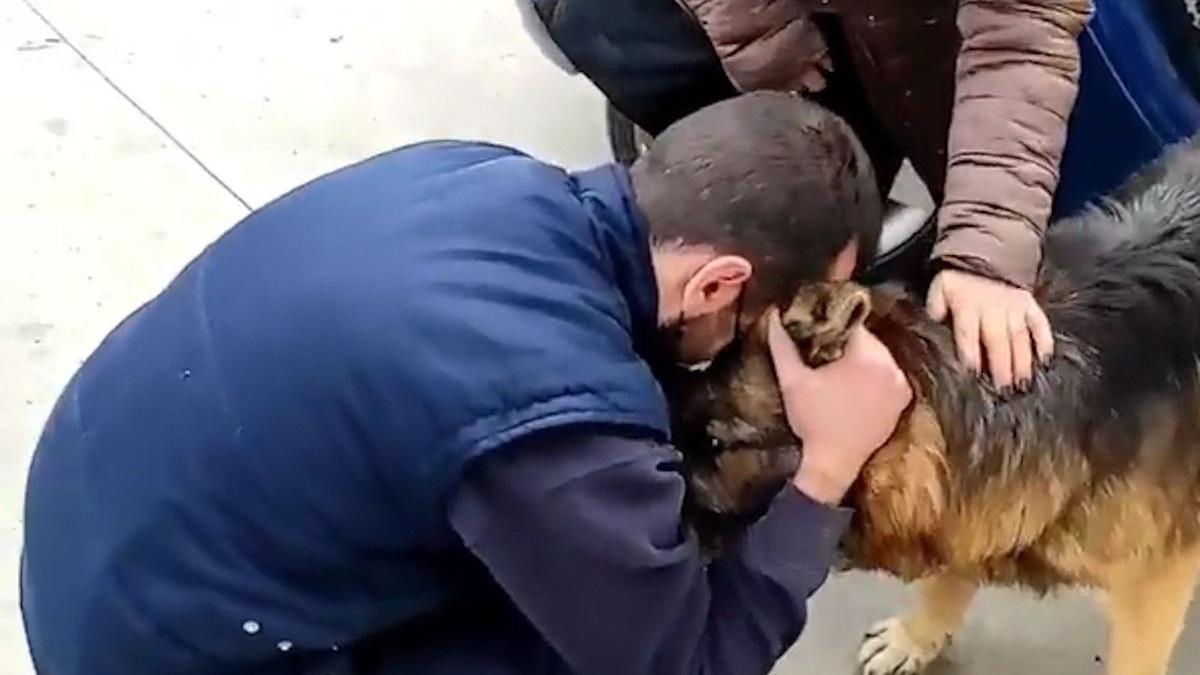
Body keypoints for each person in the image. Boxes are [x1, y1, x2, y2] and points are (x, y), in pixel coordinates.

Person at [21, 92, 911, 675]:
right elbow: (691, 658)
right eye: (771, 330)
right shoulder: (555, 413)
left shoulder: (483, 174)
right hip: (167, 648)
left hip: (99, 542)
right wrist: (825, 468)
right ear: (717, 284)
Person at [529, 0, 1200, 392]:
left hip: (934, 44)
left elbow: (1017, 35)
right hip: (803, 41)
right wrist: (757, 31)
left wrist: (987, 249)